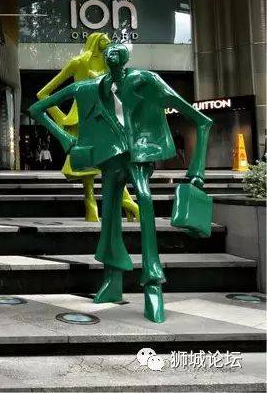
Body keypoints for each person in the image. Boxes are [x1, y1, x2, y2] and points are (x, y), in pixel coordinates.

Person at [29, 43, 212, 323]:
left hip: (138, 155)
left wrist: (197, 170)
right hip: (111, 158)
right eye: (108, 53)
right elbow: (37, 108)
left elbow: (201, 121)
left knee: (145, 200)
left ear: (125, 58)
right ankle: (112, 279)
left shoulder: (146, 81)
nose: (111, 55)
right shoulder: (89, 87)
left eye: (116, 52)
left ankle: (153, 283)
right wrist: (66, 139)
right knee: (110, 212)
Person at [36, 32, 139, 222]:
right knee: (90, 167)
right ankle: (98, 205)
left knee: (111, 163)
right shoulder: (78, 62)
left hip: (104, 119)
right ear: (95, 41)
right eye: (104, 40)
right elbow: (43, 94)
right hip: (83, 119)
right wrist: (63, 119)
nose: (109, 42)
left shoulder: (110, 64)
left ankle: (121, 204)